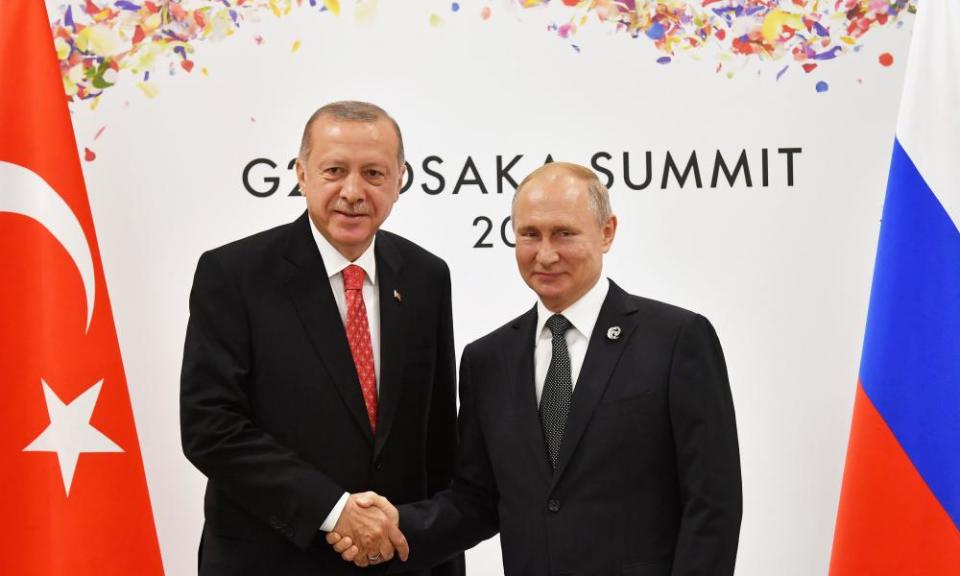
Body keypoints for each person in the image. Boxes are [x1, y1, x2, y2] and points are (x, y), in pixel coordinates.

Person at [330, 162, 743, 575]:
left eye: (564, 233)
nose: (545, 254)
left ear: (607, 232)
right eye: (530, 234)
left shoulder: (675, 340)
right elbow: (477, 500)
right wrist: (399, 527)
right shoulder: (487, 360)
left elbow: (713, 504)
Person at [180, 101, 463, 575]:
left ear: (400, 181)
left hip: (395, 562)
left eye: (374, 173)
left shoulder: (426, 277)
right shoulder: (233, 274)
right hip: (269, 561)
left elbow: (437, 447)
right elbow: (211, 428)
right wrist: (334, 510)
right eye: (334, 170)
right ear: (301, 174)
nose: (353, 192)